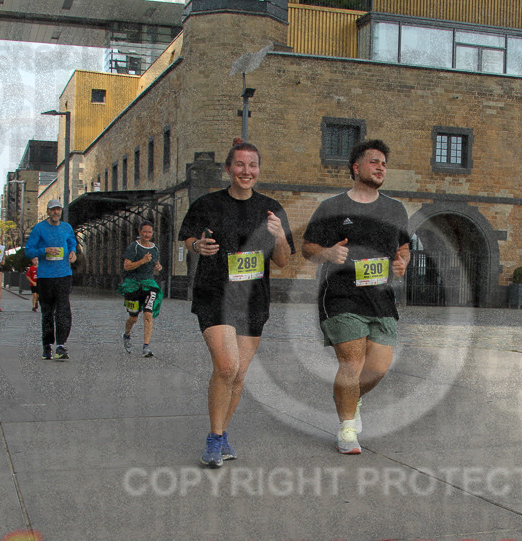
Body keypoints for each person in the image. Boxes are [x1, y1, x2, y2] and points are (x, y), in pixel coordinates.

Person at [179, 138, 295, 467]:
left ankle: (222, 434)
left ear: (259, 170)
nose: (247, 171)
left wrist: (279, 235)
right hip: (214, 293)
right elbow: (188, 237)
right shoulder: (207, 204)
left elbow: (283, 260)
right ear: (228, 169)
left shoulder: (271, 208)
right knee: (227, 366)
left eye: (252, 165)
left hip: (253, 299)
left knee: (239, 373)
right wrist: (197, 246)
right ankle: (214, 439)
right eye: (240, 165)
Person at [301, 139, 410, 455]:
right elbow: (308, 248)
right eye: (374, 162)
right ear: (356, 167)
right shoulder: (332, 207)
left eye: (384, 164)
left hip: (381, 298)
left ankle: (349, 397)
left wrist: (403, 261)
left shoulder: (395, 209)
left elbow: (403, 248)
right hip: (341, 296)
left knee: (378, 368)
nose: (380, 167)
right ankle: (347, 429)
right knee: (352, 362)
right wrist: (328, 252)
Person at [24, 198, 77, 360]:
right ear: (48, 212)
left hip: (64, 275)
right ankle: (47, 345)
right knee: (47, 312)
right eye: (53, 209)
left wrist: (73, 252)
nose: (56, 212)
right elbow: (28, 250)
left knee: (63, 310)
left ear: (61, 211)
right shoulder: (39, 228)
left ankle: (60, 345)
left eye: (58, 209)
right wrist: (44, 251)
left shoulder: (66, 227)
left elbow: (72, 242)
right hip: (46, 277)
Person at [117, 221, 163, 358]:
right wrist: (142, 261)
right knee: (133, 317)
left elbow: (156, 263)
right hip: (133, 285)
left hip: (149, 284)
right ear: (140, 232)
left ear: (152, 233)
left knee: (148, 315)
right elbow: (127, 266)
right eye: (145, 232)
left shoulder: (155, 248)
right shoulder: (134, 247)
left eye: (149, 232)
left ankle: (146, 346)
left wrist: (158, 267)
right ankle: (126, 335)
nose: (147, 235)